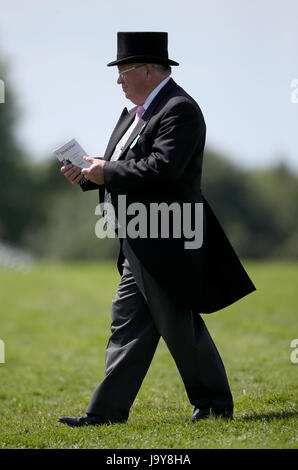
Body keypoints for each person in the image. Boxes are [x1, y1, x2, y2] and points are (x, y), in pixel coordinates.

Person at [58, 32, 256, 427]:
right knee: (128, 324)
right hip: (138, 240)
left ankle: (215, 404)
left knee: (178, 325)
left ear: (147, 70)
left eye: (123, 71)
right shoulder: (137, 113)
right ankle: (105, 413)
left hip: (167, 239)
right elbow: (123, 167)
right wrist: (89, 173)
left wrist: (106, 171)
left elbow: (162, 168)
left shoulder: (179, 109)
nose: (119, 80)